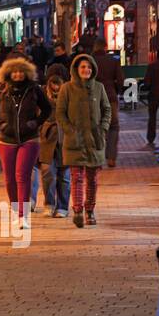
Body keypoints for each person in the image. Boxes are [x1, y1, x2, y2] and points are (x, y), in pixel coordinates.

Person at [0, 57, 51, 227]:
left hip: (29, 139)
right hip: (6, 140)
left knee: (22, 175)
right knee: (9, 178)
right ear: (8, 73)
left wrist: (35, 123)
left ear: (26, 73)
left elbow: (47, 109)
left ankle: (23, 215)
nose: (18, 74)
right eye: (14, 71)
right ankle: (15, 209)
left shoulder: (34, 90)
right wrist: (0, 124)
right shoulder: (1, 90)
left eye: (21, 71)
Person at [56, 52, 111, 228]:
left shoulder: (99, 88)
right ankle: (78, 211)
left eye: (88, 67)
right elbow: (60, 113)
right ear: (76, 69)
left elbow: (107, 109)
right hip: (75, 142)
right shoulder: (67, 89)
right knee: (76, 178)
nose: (86, 69)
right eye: (82, 67)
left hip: (95, 141)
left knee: (92, 179)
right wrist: (69, 131)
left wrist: (102, 129)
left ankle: (90, 210)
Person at [38, 64, 71, 217]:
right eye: (53, 82)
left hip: (66, 139)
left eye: (59, 82)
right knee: (47, 173)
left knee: (64, 175)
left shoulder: (70, 93)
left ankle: (62, 206)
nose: (56, 86)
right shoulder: (42, 94)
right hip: (47, 139)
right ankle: (49, 203)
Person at [92, 39, 123, 167]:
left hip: (94, 97)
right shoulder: (113, 61)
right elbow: (120, 79)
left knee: (96, 126)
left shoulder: (90, 61)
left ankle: (97, 159)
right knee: (113, 126)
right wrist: (116, 90)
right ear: (105, 47)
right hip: (110, 96)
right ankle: (111, 158)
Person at [146, 48, 159, 148]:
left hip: (153, 95)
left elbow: (147, 82)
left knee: (152, 118)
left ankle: (150, 137)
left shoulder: (151, 66)